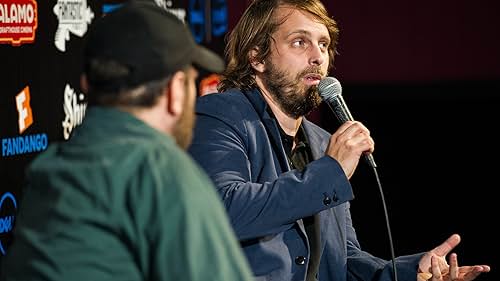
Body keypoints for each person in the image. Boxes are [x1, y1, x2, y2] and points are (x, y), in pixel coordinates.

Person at [187, 0, 491, 281]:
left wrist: (409, 273)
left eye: (323, 44)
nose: (318, 57)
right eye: (299, 42)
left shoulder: (322, 142)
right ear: (257, 56)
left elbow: (343, 259)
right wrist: (330, 172)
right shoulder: (220, 114)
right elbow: (223, 212)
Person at [0, 1, 253, 281]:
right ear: (174, 93)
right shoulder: (164, 174)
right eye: (191, 83)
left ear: (86, 85)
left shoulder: (49, 169)